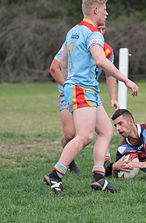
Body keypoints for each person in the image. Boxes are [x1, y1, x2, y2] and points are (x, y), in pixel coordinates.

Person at [44, 0, 139, 196]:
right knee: (85, 136)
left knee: (106, 131)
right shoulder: (94, 33)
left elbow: (62, 62)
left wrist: (69, 82)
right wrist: (127, 80)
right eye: (105, 10)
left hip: (86, 89)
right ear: (95, 10)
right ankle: (56, 175)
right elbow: (100, 60)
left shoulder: (73, 31)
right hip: (83, 88)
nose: (107, 14)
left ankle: (98, 177)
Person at [49, 24, 117, 174]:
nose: (100, 31)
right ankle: (64, 164)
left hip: (90, 92)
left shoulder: (107, 51)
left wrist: (113, 97)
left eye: (103, 28)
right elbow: (54, 68)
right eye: (97, 28)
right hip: (71, 90)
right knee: (71, 134)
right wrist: (68, 87)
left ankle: (100, 169)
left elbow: (110, 73)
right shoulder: (75, 42)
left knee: (102, 130)